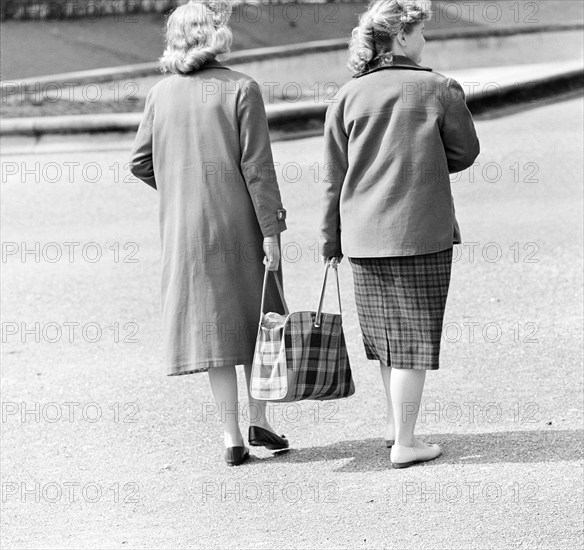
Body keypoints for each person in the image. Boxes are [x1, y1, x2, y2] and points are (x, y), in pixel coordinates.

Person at [320, 0, 480, 468]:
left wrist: (329, 241)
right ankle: (406, 442)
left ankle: (395, 426)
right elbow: (465, 151)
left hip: (362, 236)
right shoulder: (438, 87)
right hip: (420, 230)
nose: (426, 40)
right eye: (422, 32)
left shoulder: (346, 96)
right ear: (403, 38)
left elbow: (333, 176)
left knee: (386, 338)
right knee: (412, 339)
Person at [130, 0, 289, 466]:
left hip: (186, 231)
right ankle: (261, 418)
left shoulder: (160, 94)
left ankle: (231, 437)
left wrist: (181, 184)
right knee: (262, 319)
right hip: (240, 221)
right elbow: (257, 168)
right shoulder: (242, 88)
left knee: (215, 331)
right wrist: (272, 230)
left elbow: (141, 161)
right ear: (216, 35)